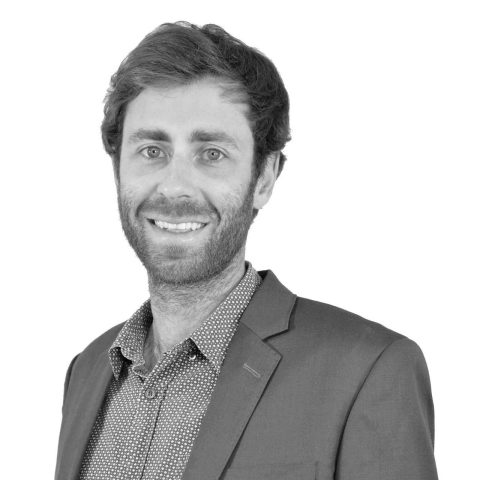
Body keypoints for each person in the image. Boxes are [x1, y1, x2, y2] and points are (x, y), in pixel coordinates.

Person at [54, 21, 438, 480]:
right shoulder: (87, 371)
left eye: (212, 153)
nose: (174, 186)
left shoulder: (369, 370)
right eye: (152, 150)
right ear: (117, 170)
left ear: (264, 178)